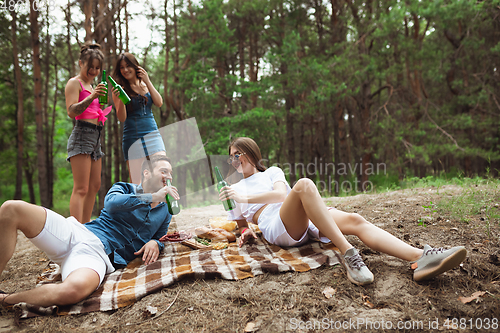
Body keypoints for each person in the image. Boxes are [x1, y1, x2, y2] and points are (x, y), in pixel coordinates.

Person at [219, 137, 467, 286]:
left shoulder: (272, 172)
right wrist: (246, 232)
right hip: (277, 226)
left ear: (251, 153)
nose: (234, 160)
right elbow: (241, 223)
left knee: (355, 220)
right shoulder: (233, 188)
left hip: (300, 212)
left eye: (238, 154)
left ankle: (419, 258)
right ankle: (349, 253)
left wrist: (245, 196)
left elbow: (281, 195)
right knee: (304, 184)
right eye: (231, 158)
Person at [0, 155, 178, 308]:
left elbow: (160, 237)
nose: (168, 176)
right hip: (77, 233)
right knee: (11, 209)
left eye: (170, 173)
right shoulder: (124, 188)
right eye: (163, 171)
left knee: (73, 290)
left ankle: (5, 299)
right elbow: (112, 203)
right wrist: (153, 197)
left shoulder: (165, 210)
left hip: (97, 256)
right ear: (146, 173)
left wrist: (156, 242)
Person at [65, 42, 112, 223]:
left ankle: (86, 227)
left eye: (97, 68)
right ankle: (76, 230)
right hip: (82, 135)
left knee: (94, 186)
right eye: (90, 67)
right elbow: (71, 111)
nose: (93, 71)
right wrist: (92, 97)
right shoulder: (74, 83)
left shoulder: (93, 86)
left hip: (95, 136)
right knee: (81, 188)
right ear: (80, 64)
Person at [112, 52, 166, 184]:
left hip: (153, 134)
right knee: (138, 182)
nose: (125, 70)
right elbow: (122, 118)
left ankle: (164, 204)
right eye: (122, 67)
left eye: (128, 66)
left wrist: (147, 80)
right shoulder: (119, 88)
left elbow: (159, 103)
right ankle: (142, 205)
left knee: (162, 171)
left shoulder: (145, 83)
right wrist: (120, 100)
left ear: (135, 66)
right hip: (133, 137)